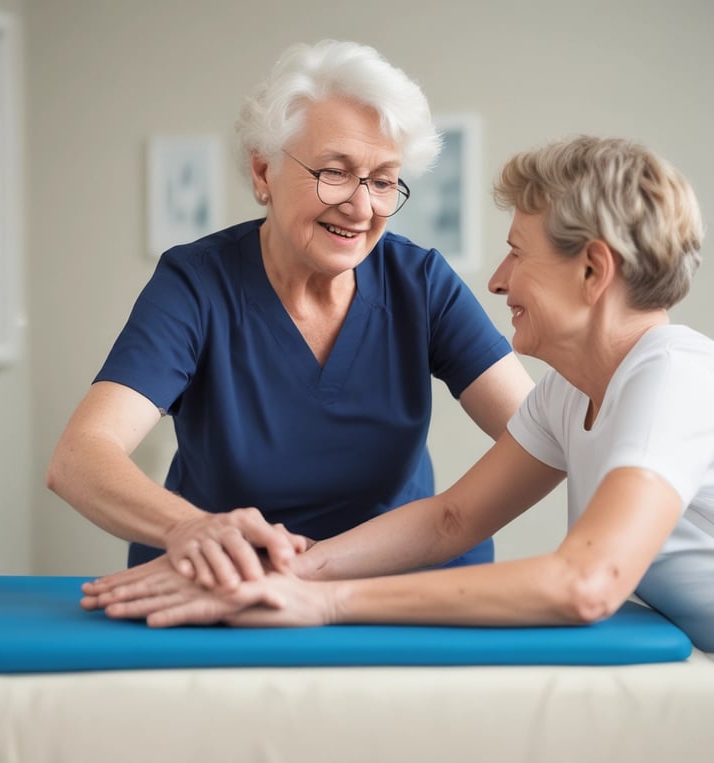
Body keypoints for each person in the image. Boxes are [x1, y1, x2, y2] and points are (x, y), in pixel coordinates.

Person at [81, 135, 714, 653]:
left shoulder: (673, 378)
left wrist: (324, 601)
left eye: (518, 255)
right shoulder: (568, 396)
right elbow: (451, 519)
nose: (497, 281)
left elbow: (588, 582)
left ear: (593, 270)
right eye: (334, 171)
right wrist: (270, 577)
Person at [47, 39, 533, 586]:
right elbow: (80, 458)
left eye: (381, 180)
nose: (361, 206)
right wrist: (191, 528)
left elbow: (541, 432)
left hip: (395, 582)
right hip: (232, 582)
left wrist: (449, 521)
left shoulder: (419, 283)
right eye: (334, 172)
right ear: (262, 173)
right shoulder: (197, 284)